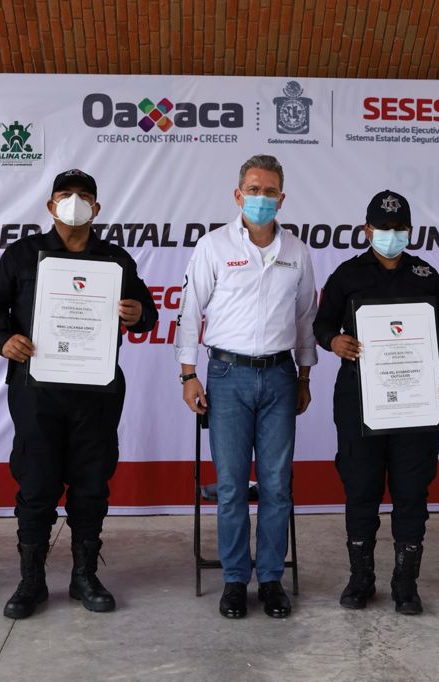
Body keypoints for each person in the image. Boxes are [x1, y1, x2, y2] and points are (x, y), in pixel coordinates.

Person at [0, 168, 158, 620]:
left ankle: (84, 576)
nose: (74, 201)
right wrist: (3, 340)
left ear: (96, 207)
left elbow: (148, 314)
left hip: (96, 392)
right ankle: (31, 581)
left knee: (91, 484)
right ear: (50, 205)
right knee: (36, 483)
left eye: (83, 195)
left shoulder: (115, 259)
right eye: (64, 194)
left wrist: (137, 313)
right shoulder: (23, 254)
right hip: (37, 391)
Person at [175, 154, 318, 619]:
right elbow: (190, 312)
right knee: (232, 486)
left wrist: (304, 375)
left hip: (279, 376)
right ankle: (235, 580)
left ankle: (271, 579)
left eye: (269, 191)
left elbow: (305, 319)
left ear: (282, 198)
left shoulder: (297, 252)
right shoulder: (213, 246)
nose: (261, 198)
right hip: (227, 375)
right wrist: (188, 374)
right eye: (253, 190)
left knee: (277, 485)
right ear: (238, 195)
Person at [313, 190, 439, 614]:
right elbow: (321, 323)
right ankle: (360, 579)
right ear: (367, 230)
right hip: (359, 404)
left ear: (409, 231)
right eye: (383, 228)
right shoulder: (346, 275)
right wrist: (333, 340)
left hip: (417, 405)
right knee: (361, 490)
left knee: (411, 493)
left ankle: (405, 584)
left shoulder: (426, 275)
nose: (391, 235)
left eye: (399, 229)